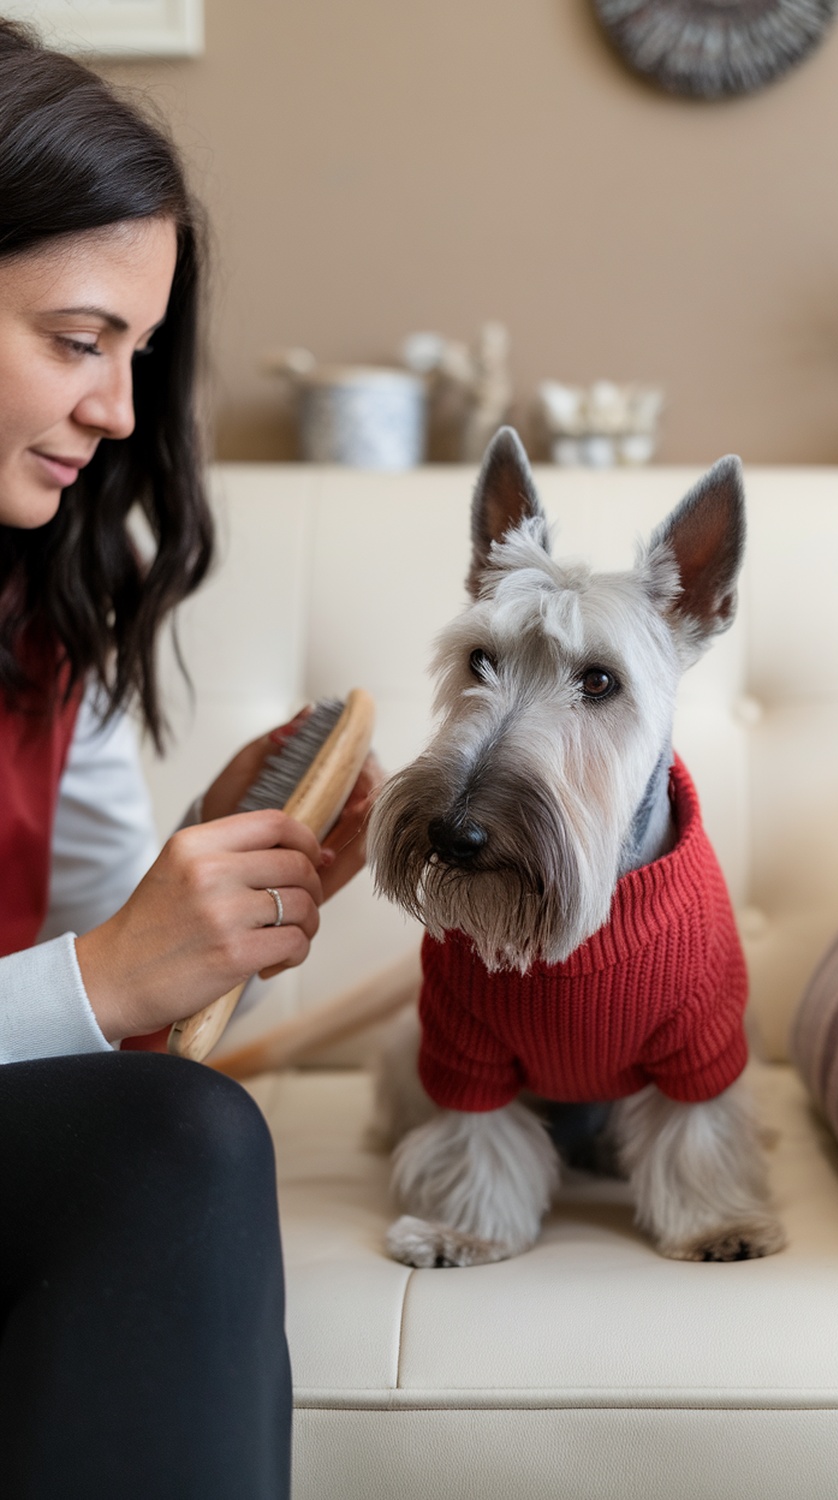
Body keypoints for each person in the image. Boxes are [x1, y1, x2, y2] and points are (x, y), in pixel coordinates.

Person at [0, 20, 376, 1498]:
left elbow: (86, 974)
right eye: (81, 340)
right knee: (180, 1139)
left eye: (137, 356)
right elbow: (82, 992)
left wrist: (187, 917)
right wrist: (104, 982)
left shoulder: (43, 618)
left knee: (174, 1136)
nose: (118, 410)